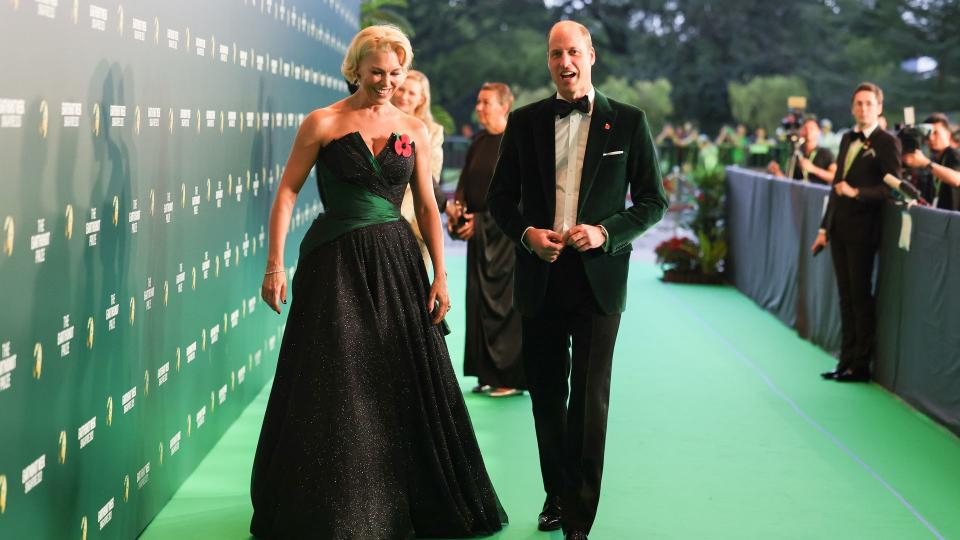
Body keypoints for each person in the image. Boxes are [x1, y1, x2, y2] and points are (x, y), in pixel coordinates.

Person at [251, 25, 506, 539]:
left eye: (395, 73)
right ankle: (336, 508)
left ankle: (398, 503)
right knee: (337, 377)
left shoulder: (411, 128)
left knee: (398, 376)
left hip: (396, 262)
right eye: (377, 73)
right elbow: (285, 194)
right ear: (355, 71)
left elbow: (430, 208)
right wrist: (274, 264)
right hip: (333, 263)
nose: (387, 82)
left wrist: (441, 275)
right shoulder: (322, 123)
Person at [486, 21, 667, 540]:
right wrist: (526, 235)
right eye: (555, 54)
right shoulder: (524, 123)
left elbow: (654, 202)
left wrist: (605, 232)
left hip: (598, 282)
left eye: (573, 53)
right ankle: (556, 495)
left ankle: (579, 516)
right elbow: (500, 198)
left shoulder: (629, 122)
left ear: (591, 55)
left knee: (588, 400)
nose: (564, 63)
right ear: (548, 61)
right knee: (546, 395)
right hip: (540, 276)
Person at [812, 82, 901, 383]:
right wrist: (824, 228)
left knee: (861, 296)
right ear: (852, 108)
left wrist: (856, 192)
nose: (863, 108)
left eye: (869, 103)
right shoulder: (847, 138)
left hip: (865, 231)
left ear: (879, 108)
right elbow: (836, 186)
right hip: (839, 229)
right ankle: (845, 360)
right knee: (845, 296)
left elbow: (892, 189)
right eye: (859, 103)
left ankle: (861, 365)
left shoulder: (887, 142)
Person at [447, 82, 526, 398]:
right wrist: (460, 214)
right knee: (479, 300)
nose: (479, 108)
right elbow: (465, 184)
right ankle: (487, 372)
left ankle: (510, 376)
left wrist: (480, 222)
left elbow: (521, 198)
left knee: (506, 304)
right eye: (478, 102)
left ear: (504, 106)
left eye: (486, 103)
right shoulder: (478, 140)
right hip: (480, 237)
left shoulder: (517, 142)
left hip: (505, 238)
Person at [392, 69, 447, 269]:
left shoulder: (432, 132)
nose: (404, 96)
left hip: (413, 222)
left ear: (422, 99)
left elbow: (430, 179)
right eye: (401, 89)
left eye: (411, 93)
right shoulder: (376, 121)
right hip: (376, 220)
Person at [903, 113, 960, 211]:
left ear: (948, 134)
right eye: (928, 133)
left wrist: (926, 163)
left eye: (936, 133)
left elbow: (957, 179)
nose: (931, 138)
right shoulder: (934, 159)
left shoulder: (953, 154)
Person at [767, 116, 837, 184]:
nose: (809, 131)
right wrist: (776, 172)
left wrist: (814, 169)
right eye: (805, 128)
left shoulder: (826, 153)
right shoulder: (796, 154)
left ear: (818, 131)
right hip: (798, 195)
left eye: (812, 128)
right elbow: (788, 181)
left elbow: (834, 177)